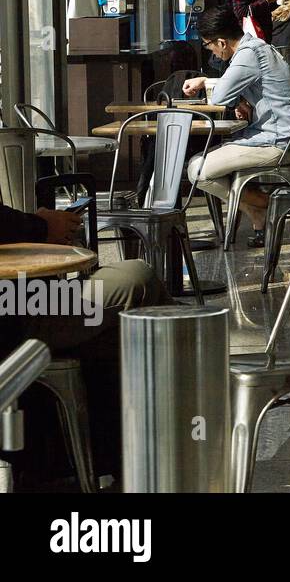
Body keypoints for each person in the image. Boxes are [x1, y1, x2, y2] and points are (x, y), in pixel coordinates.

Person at [0, 199, 173, 487]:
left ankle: (128, 460)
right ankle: (175, 443)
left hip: (21, 303)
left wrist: (34, 225)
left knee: (118, 332)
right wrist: (40, 227)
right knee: (138, 279)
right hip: (17, 314)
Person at [182, 6, 290, 247]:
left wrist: (206, 80)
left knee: (198, 169)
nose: (212, 52)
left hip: (277, 141)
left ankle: (267, 204)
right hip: (279, 134)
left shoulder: (249, 54)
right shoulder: (258, 47)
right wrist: (242, 99)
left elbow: (218, 98)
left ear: (221, 42)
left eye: (209, 45)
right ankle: (258, 215)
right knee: (202, 162)